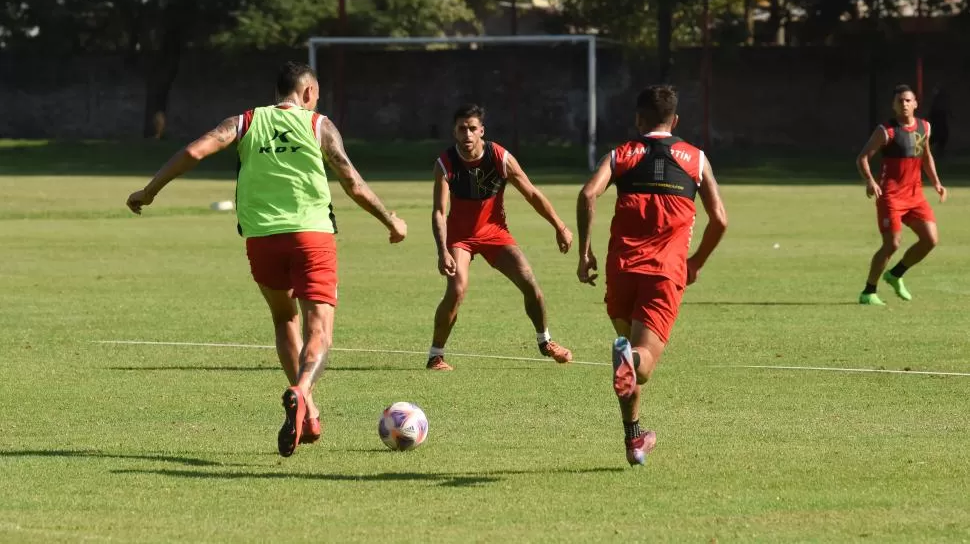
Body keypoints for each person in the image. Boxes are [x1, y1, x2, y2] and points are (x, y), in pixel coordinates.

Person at [126, 61, 408, 457]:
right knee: (320, 331)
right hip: (312, 237)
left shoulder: (243, 122)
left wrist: (150, 190)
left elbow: (195, 150)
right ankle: (302, 390)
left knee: (283, 318)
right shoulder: (319, 125)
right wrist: (390, 220)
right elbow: (353, 184)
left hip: (261, 239)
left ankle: (308, 413)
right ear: (309, 92)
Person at [576, 85, 727, 466]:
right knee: (639, 366)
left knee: (627, 358)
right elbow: (720, 220)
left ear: (638, 120)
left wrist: (585, 251)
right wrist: (697, 263)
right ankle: (630, 361)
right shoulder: (695, 159)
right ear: (675, 120)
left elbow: (588, 194)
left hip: (621, 270)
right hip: (664, 274)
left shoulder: (621, 154)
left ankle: (634, 438)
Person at [427, 104, 574, 371]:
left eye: (473, 128)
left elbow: (531, 193)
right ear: (454, 132)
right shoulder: (445, 163)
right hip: (460, 237)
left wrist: (560, 226)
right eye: (462, 129)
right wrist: (442, 251)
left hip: (495, 233)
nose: (468, 134)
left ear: (481, 131)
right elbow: (439, 211)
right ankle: (436, 355)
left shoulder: (499, 157)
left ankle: (546, 342)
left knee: (530, 282)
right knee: (457, 289)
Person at [856, 84, 946, 306]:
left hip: (915, 195)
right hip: (891, 196)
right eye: (899, 101)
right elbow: (862, 158)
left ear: (915, 103)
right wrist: (870, 181)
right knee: (892, 244)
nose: (904, 104)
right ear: (893, 105)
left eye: (908, 100)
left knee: (930, 239)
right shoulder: (886, 130)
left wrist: (936, 182)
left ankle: (896, 274)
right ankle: (868, 292)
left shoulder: (925, 127)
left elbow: (926, 156)